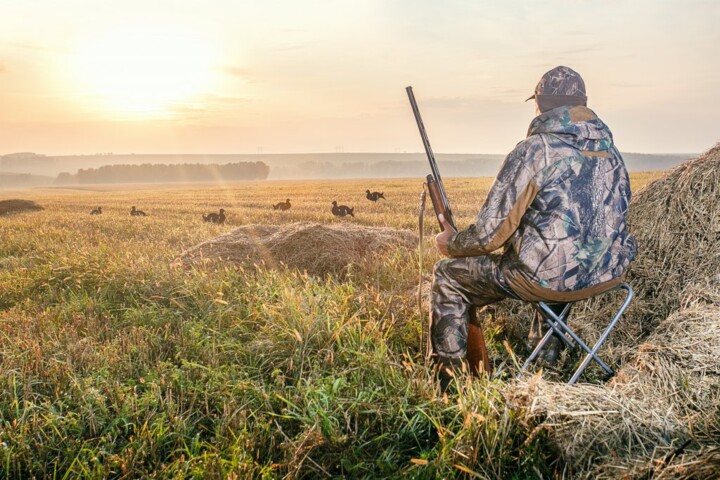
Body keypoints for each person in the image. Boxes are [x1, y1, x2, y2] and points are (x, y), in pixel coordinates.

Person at [431, 66, 637, 391]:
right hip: (609, 274)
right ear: (582, 104)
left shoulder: (534, 150)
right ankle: (548, 363)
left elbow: (488, 236)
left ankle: (451, 389)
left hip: (549, 281)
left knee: (448, 275)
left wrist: (452, 242)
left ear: (540, 104)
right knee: (558, 257)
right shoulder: (611, 152)